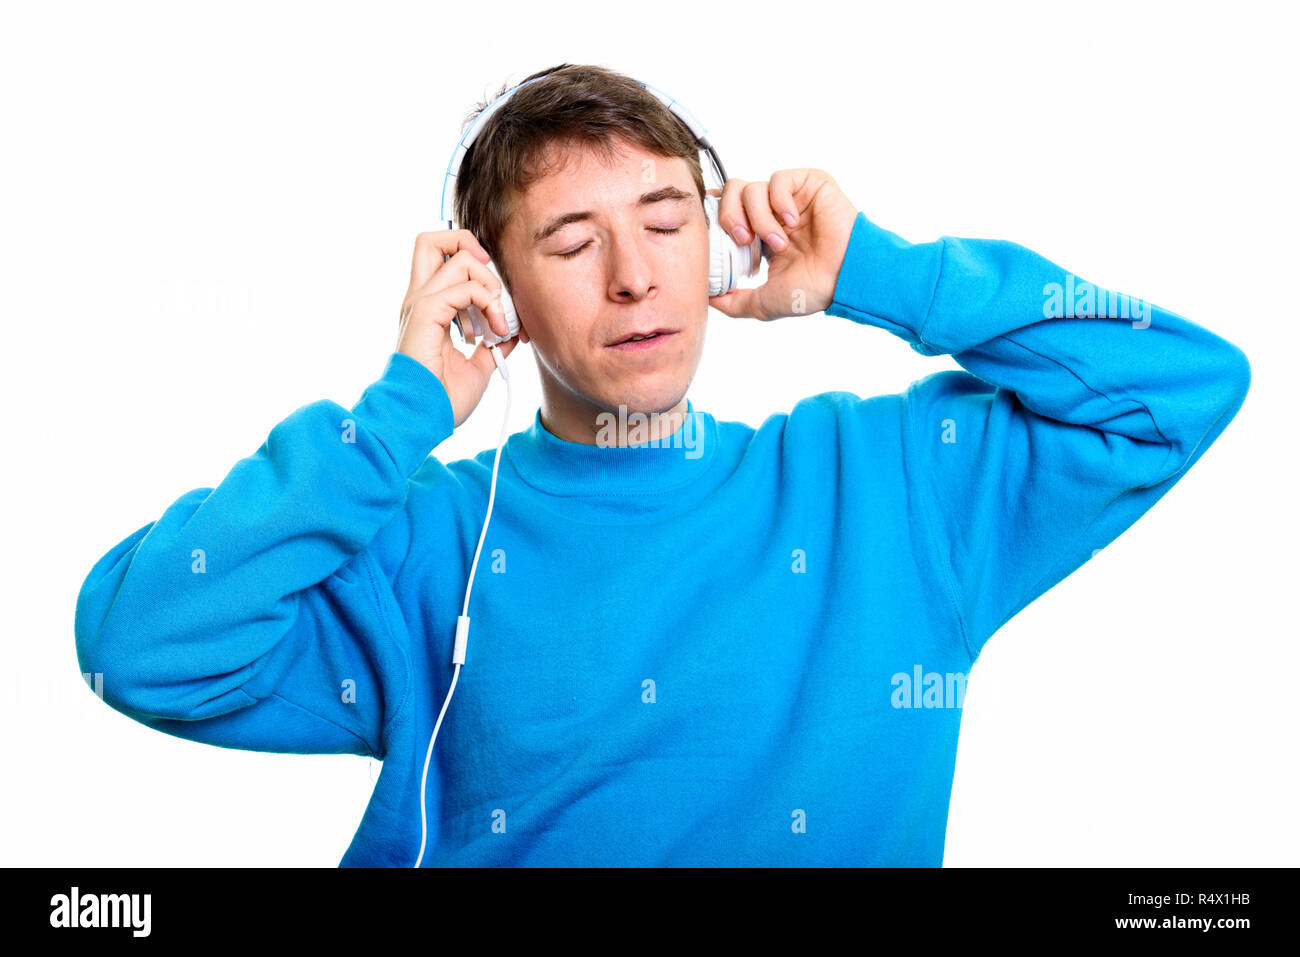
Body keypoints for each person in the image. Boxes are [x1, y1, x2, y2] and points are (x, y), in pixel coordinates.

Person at [74, 63, 1251, 867]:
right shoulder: (427, 535)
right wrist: (395, 417)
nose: (635, 277)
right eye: (574, 244)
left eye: (667, 221)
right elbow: (139, 645)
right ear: (501, 294)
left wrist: (882, 274)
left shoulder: (887, 484)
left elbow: (1179, 388)